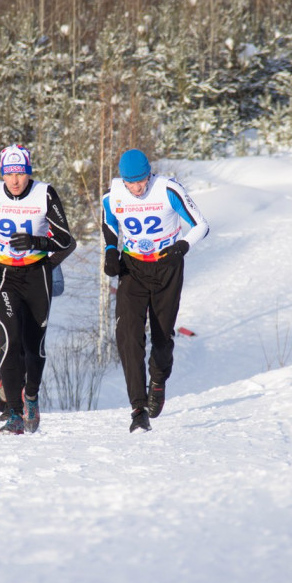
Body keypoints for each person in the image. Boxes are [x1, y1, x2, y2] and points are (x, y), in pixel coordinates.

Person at [0, 144, 74, 434]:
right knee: (9, 344)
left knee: (34, 348)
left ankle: (31, 396)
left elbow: (66, 241)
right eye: (9, 174)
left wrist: (37, 243)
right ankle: (13, 412)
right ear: (2, 174)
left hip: (37, 274)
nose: (15, 181)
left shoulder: (44, 194)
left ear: (28, 172)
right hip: (3, 276)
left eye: (20, 174)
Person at [102, 149, 209, 432]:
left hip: (166, 266)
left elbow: (202, 225)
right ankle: (138, 409)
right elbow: (110, 223)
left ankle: (158, 380)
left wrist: (181, 247)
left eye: (142, 180)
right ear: (123, 180)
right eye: (131, 182)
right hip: (133, 269)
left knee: (162, 337)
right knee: (128, 336)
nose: (138, 187)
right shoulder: (112, 195)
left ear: (150, 173)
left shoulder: (168, 189)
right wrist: (111, 251)